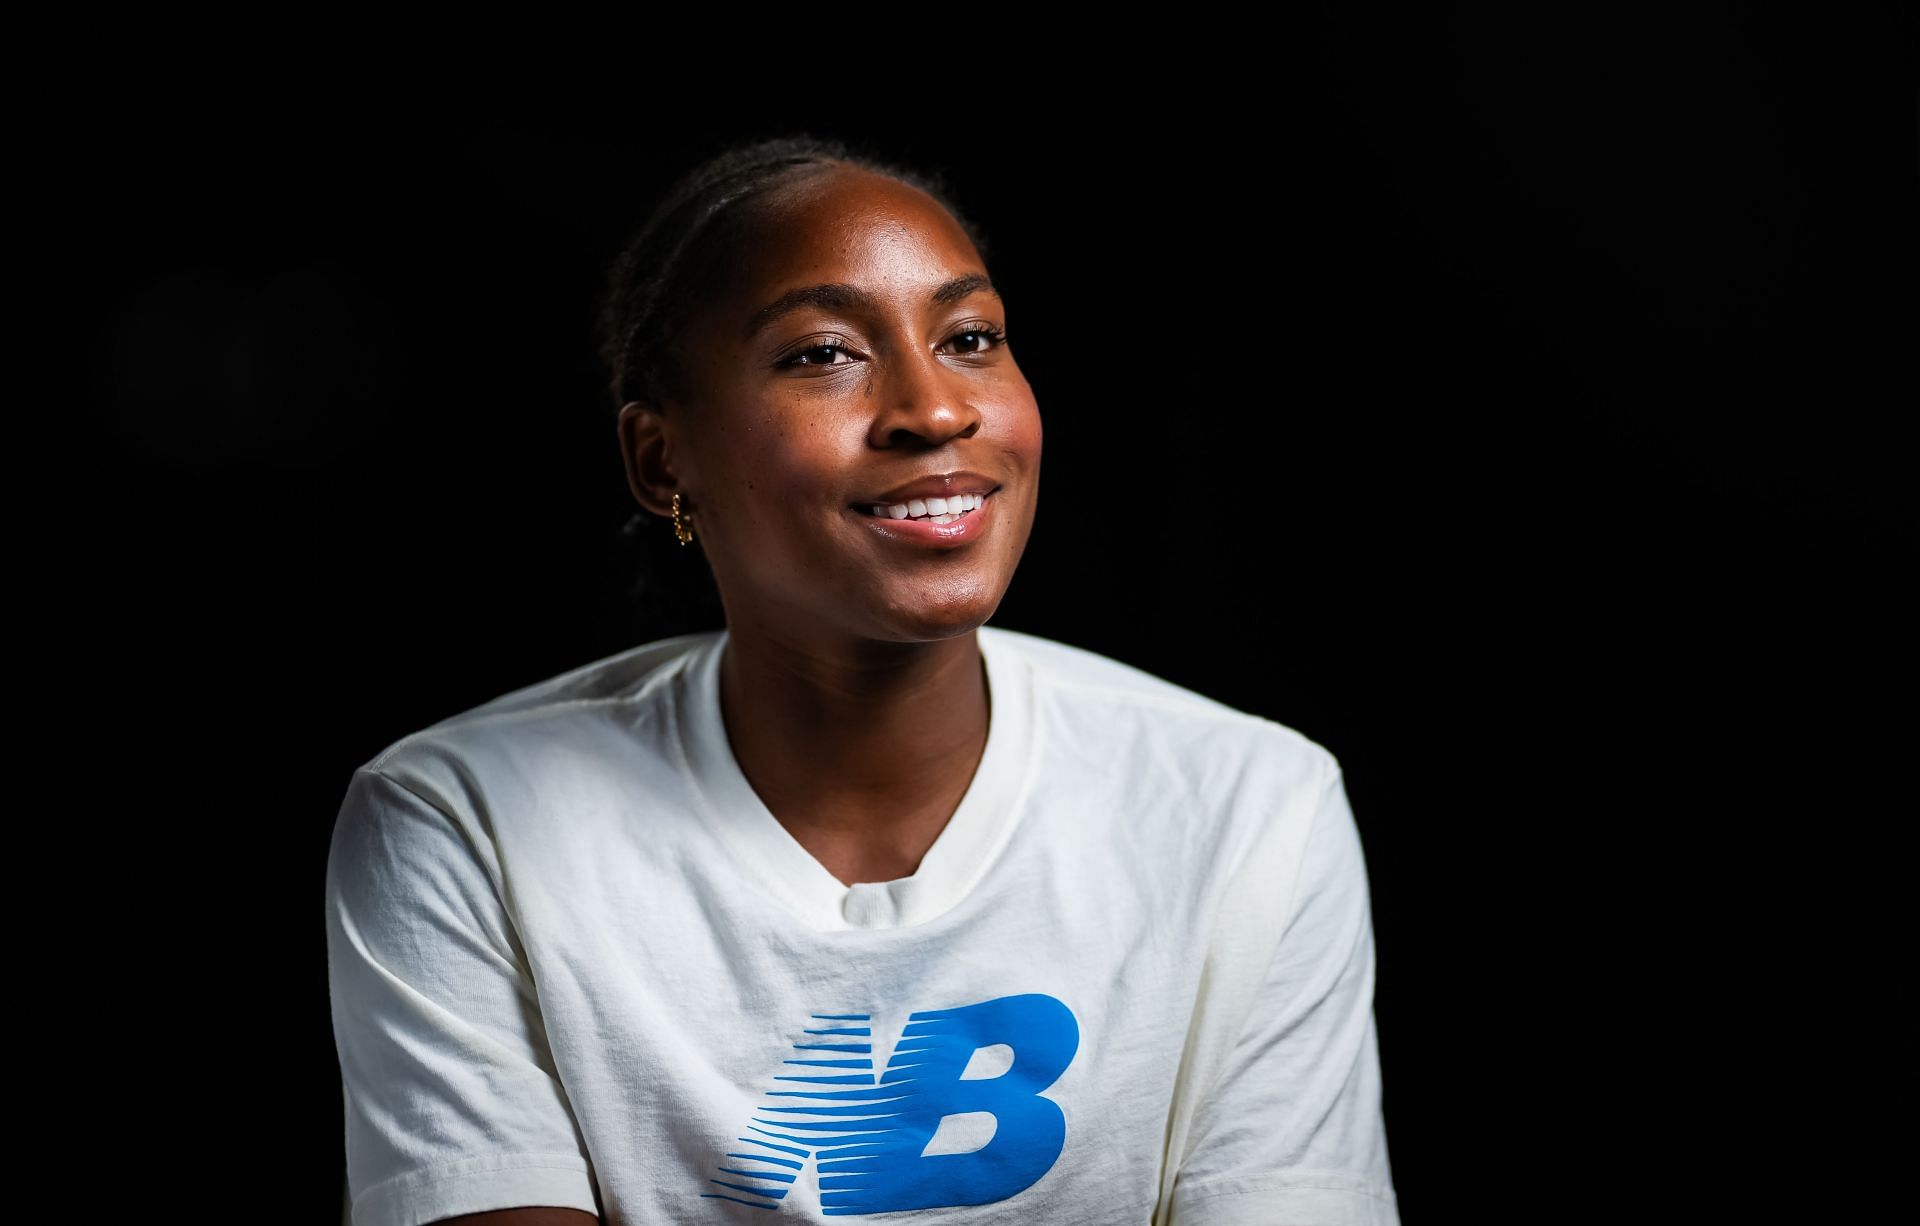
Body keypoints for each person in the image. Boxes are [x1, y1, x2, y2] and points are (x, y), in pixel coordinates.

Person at [324, 133, 1399, 1226]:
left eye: (971, 337)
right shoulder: (464, 819)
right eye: (822, 353)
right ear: (662, 462)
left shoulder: (1250, 806)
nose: (935, 411)